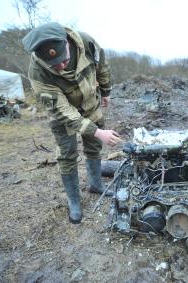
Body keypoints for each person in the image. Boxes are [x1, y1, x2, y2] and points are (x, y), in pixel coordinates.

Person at [22, 22, 122, 224]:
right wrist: (98, 132)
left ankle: (96, 184)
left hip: (90, 105)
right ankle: (74, 201)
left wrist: (106, 90)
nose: (61, 66)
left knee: (93, 148)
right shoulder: (37, 72)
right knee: (67, 155)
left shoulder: (87, 43)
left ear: (67, 43)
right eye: (54, 65)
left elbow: (101, 65)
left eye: (63, 59)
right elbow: (63, 111)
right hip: (63, 115)